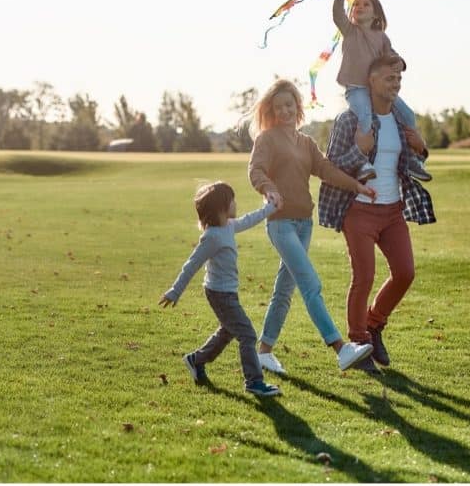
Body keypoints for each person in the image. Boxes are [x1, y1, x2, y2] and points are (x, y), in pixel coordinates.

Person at [247, 79, 377, 375]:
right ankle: (341, 349)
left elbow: (327, 170)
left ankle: (264, 351)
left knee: (284, 289)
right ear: (271, 111)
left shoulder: (305, 143)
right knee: (311, 284)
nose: (284, 111)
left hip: (304, 224)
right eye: (278, 107)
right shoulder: (266, 139)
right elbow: (255, 169)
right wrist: (268, 188)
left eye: (289, 105)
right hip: (280, 224)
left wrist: (357, 186)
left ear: (298, 107)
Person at [318, 54, 436, 373]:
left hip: (393, 210)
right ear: (370, 80)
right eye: (389, 78)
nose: (395, 84)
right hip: (358, 211)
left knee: (405, 272)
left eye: (398, 79)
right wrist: (360, 147)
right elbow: (331, 165)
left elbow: (413, 162)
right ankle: (358, 345)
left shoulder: (401, 122)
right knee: (364, 277)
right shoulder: (349, 120)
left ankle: (374, 325)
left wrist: (421, 148)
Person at [159, 181, 283, 397]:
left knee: (227, 332)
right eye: (232, 200)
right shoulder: (212, 236)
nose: (236, 203)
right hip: (219, 294)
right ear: (221, 208)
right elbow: (192, 264)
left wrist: (269, 208)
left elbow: (249, 219)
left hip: (227, 293)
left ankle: (196, 360)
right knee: (247, 334)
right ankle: (254, 382)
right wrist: (175, 291)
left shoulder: (228, 226)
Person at [333, 0, 431, 183]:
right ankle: (362, 163)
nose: (359, 6)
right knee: (366, 119)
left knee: (408, 115)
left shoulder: (382, 37)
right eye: (356, 4)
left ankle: (413, 160)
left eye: (366, 4)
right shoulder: (350, 31)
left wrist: (400, 62)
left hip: (378, 89)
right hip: (357, 88)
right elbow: (337, 15)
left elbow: (392, 56)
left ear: (375, 13)